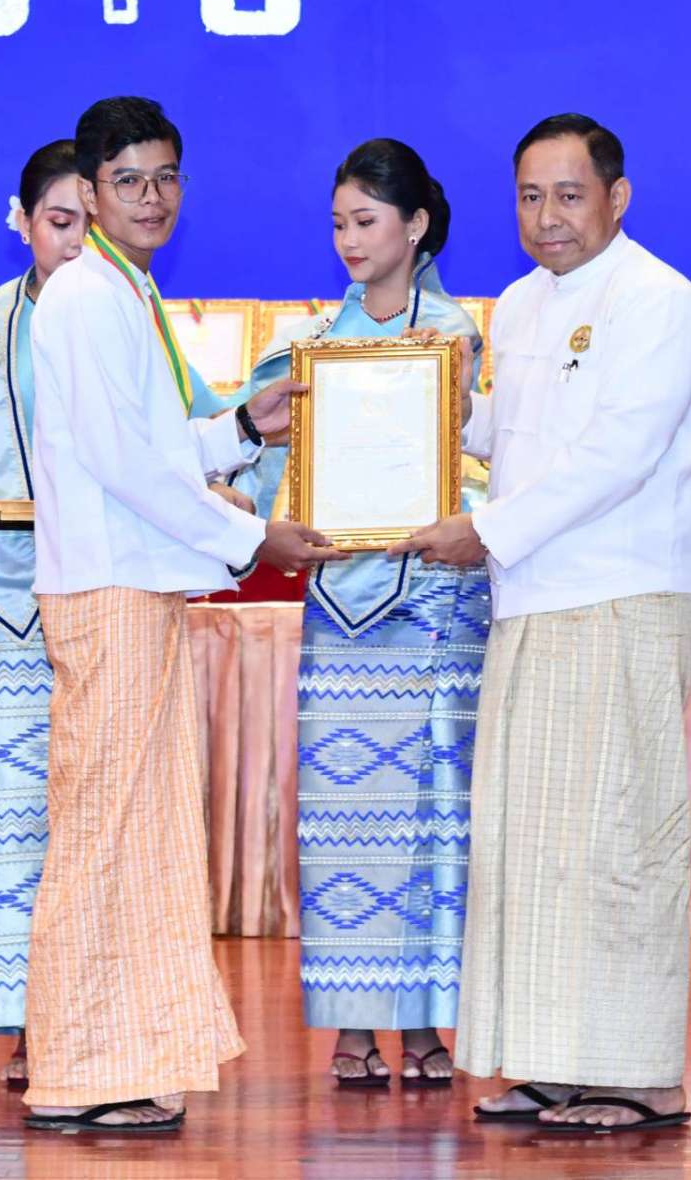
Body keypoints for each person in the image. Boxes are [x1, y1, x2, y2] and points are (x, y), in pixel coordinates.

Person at [391, 113, 691, 1135]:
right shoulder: (522, 304)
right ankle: (550, 1060)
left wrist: (485, 531)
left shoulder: (659, 302)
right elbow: (516, 436)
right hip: (532, 597)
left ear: (617, 198)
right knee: (533, 846)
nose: (548, 217)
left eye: (570, 196)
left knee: (619, 837)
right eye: (530, 197)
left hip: (621, 593)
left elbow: (618, 457)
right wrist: (436, 403)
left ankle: (638, 1073)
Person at [22, 96, 345, 1135]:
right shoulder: (86, 297)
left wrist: (245, 425)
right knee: (106, 829)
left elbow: (154, 449)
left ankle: (120, 1058)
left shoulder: (128, 290)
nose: (152, 197)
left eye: (166, 178)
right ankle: (78, 1067)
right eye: (128, 181)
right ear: (89, 192)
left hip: (139, 584)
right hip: (111, 588)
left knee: (141, 830)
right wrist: (249, 539)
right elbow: (123, 464)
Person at [0, 139, 238, 1091]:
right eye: (57, 220)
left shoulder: (128, 301)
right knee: (33, 828)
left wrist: (240, 448)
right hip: (14, 598)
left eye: (79, 220)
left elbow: (180, 433)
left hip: (94, 582)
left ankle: (77, 1036)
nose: (71, 237)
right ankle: (48, 1035)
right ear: (25, 221)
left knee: (99, 822)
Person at [233, 139, 490, 1088]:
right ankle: (350, 1022)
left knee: (430, 814)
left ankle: (422, 1022)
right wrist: (265, 522)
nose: (348, 239)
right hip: (340, 603)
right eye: (338, 222)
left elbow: (483, 460)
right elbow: (262, 461)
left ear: (415, 225)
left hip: (434, 600)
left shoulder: (457, 340)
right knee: (347, 819)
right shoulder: (306, 346)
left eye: (367, 221)